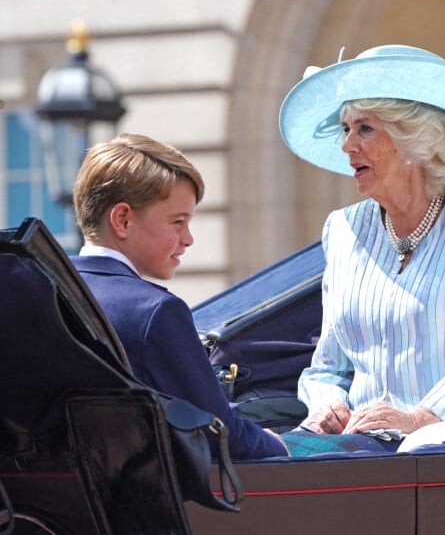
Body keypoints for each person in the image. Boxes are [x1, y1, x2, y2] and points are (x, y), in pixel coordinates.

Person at [278, 45, 445, 452]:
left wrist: (420, 420)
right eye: (345, 129)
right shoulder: (342, 228)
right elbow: (327, 368)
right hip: (364, 449)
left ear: (415, 139)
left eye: (364, 129)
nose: (347, 145)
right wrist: (328, 406)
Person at [71, 132, 289, 458]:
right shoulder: (155, 311)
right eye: (177, 222)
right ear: (123, 220)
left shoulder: (41, 289)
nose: (188, 239)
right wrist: (282, 444)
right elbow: (219, 433)